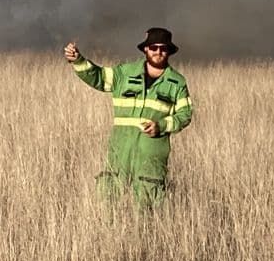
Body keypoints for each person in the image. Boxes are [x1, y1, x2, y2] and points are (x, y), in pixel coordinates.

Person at [64, 28, 193, 207]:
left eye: (163, 48)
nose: (158, 52)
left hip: (152, 155)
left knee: (147, 208)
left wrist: (161, 126)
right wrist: (77, 60)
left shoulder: (177, 82)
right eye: (154, 47)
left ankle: (144, 235)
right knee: (108, 202)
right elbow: (98, 77)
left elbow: (185, 114)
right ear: (146, 49)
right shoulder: (124, 73)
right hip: (119, 150)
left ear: (169, 51)